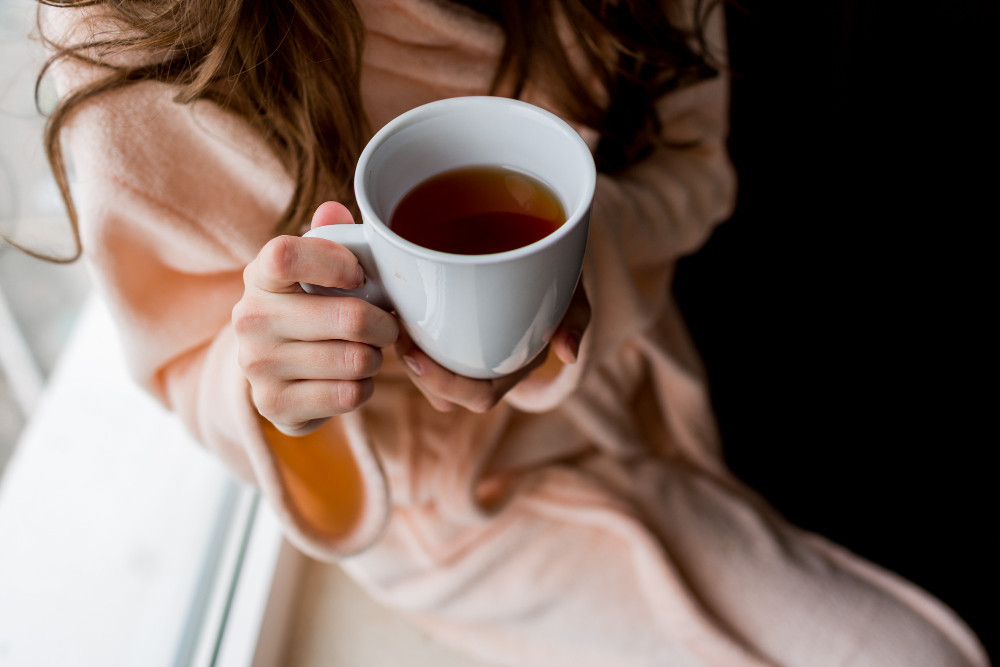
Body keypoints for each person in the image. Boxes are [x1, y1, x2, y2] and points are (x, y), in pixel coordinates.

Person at [33, 0, 988, 665]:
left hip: (642, 366)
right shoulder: (132, 38)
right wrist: (283, 387)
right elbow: (184, 348)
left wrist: (572, 265)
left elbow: (699, 176)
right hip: (439, 503)